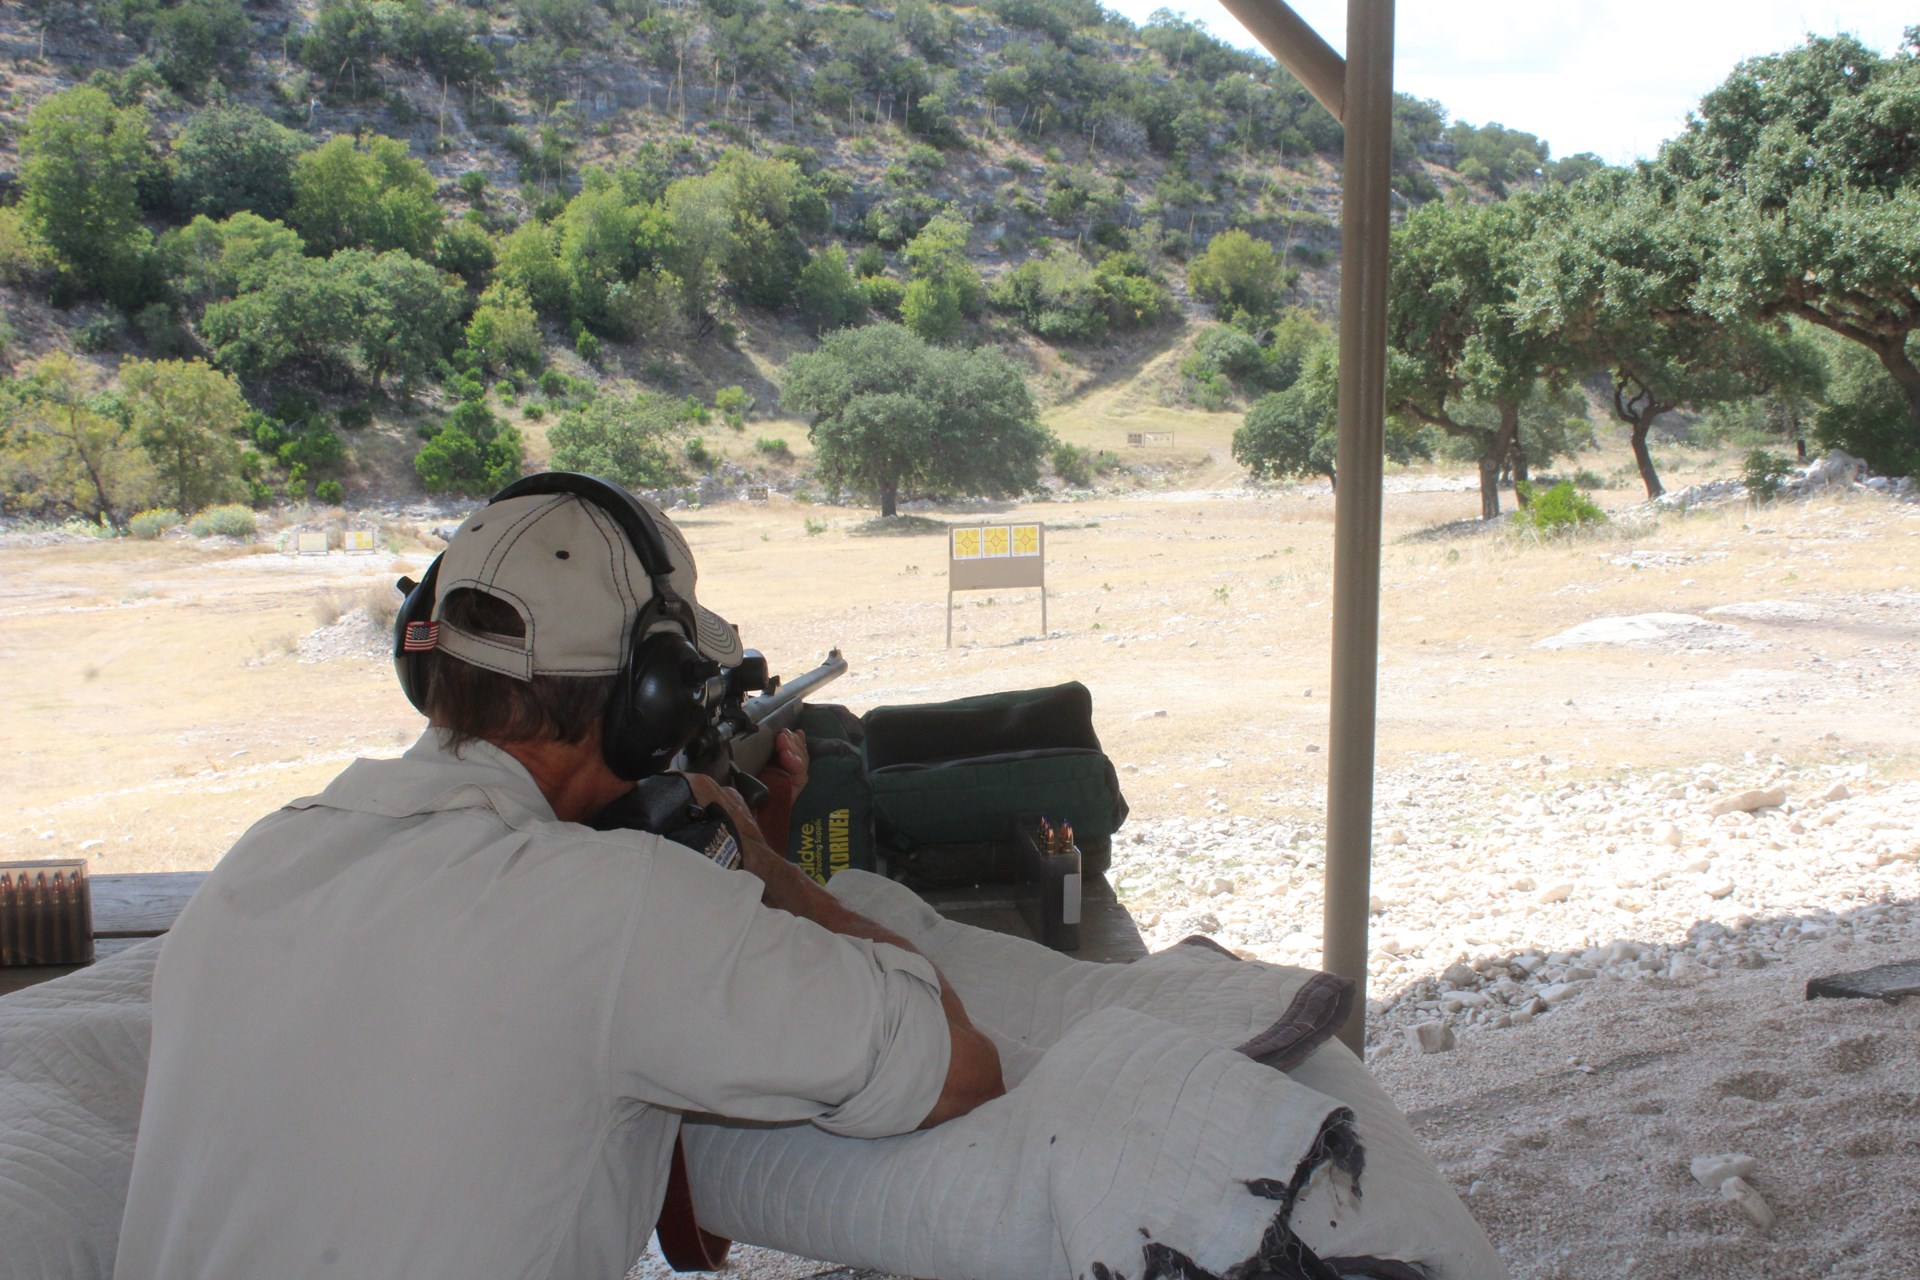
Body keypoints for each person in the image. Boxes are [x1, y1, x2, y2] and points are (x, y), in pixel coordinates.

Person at [115, 473, 1004, 1279]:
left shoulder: (260, 861)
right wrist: (757, 858)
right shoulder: (619, 907)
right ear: (652, 697)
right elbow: (960, 1070)